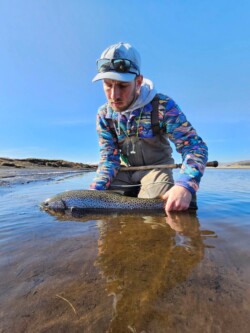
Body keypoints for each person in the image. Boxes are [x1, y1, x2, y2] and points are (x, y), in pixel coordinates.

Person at [90, 42, 208, 213]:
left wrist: (186, 185)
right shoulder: (104, 115)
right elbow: (109, 159)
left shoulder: (162, 105)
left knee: (154, 214)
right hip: (123, 172)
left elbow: (195, 147)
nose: (114, 95)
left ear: (138, 82)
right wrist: (95, 191)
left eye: (122, 86)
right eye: (108, 85)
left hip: (157, 170)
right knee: (100, 211)